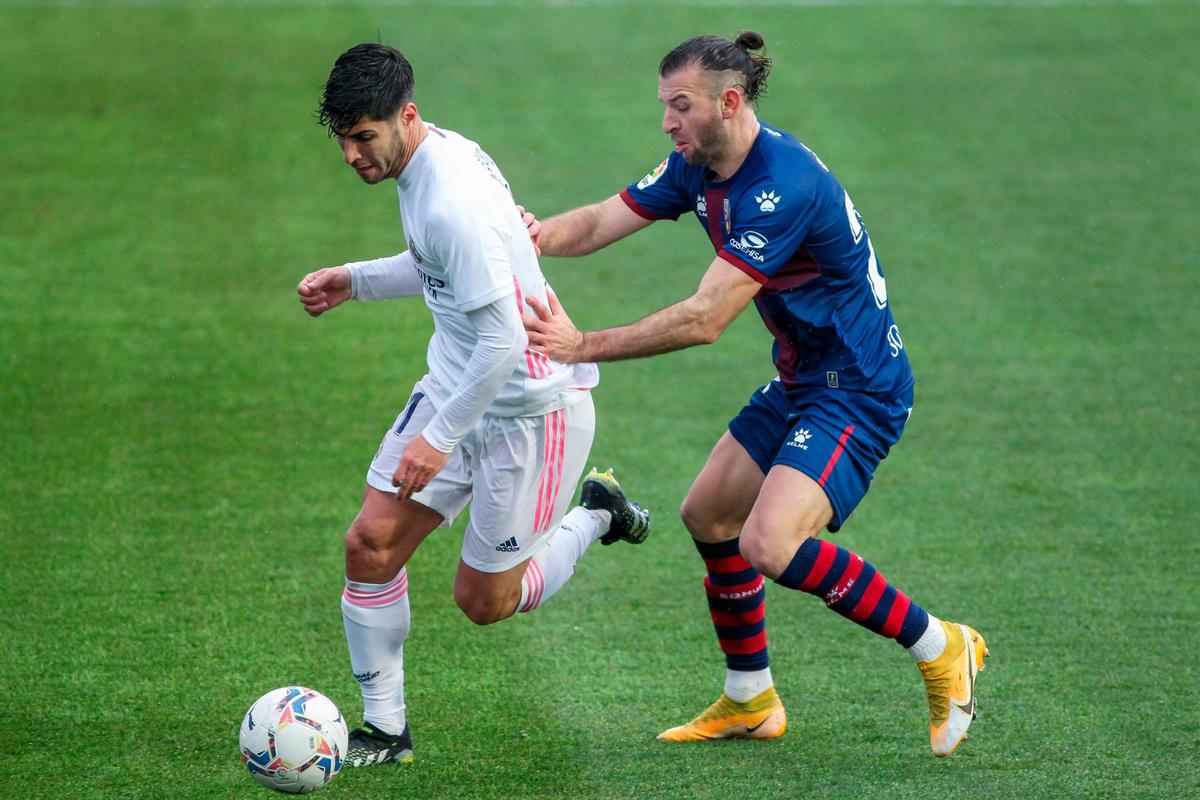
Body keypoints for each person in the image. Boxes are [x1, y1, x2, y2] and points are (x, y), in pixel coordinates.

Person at [520, 31, 987, 757]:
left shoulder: (782, 185)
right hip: (805, 377)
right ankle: (751, 698)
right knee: (709, 513)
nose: (667, 124)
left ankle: (940, 643)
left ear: (728, 103)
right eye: (665, 108)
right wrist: (534, 236)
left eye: (680, 108)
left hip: (859, 390)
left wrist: (582, 347)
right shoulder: (699, 163)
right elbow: (605, 220)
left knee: (771, 542)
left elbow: (706, 320)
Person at [296, 43, 651, 768]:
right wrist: (355, 280)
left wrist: (439, 437)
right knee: (370, 545)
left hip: (531, 410)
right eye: (342, 139)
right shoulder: (433, 160)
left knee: (484, 601)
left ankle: (598, 512)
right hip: (458, 388)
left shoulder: (450, 196)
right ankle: (384, 732)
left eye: (364, 137)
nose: (351, 155)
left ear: (407, 117)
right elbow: (439, 269)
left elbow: (498, 341)